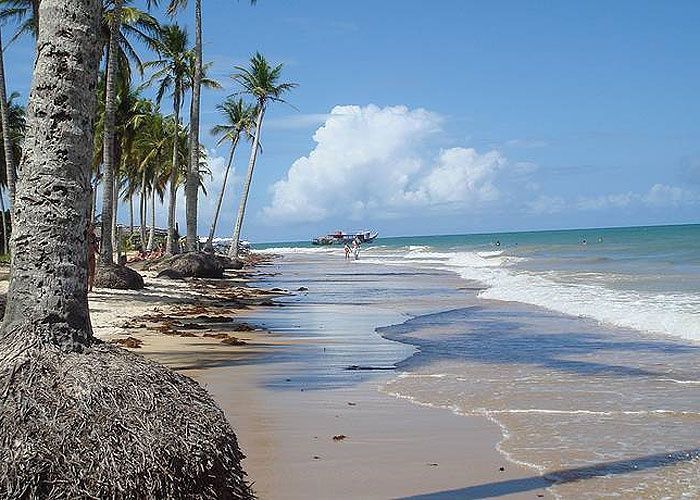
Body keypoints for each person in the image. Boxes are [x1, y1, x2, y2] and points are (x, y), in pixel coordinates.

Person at [86, 222, 99, 292]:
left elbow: (95, 246)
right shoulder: (85, 235)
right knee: (87, 272)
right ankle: (86, 286)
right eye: (92, 227)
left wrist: (98, 253)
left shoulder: (93, 236)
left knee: (92, 272)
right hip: (86, 255)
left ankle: (90, 288)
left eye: (94, 228)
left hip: (92, 255)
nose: (93, 229)